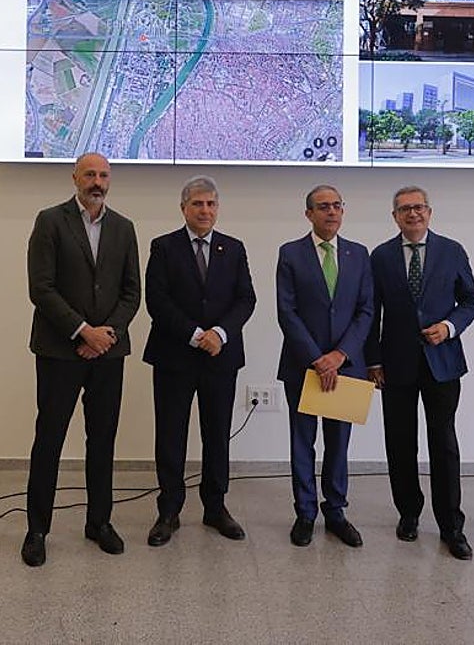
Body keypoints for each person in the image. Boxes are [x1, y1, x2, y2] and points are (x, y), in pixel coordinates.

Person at [21, 152, 141, 567]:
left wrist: (105, 335)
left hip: (108, 353)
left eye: (104, 175)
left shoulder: (124, 228)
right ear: (74, 177)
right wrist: (81, 331)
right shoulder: (50, 221)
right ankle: (37, 530)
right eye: (90, 174)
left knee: (102, 440)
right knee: (49, 440)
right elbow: (41, 287)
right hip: (59, 351)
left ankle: (99, 522)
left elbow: (131, 293)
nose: (97, 181)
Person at [364, 186, 474, 560]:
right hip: (395, 364)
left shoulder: (452, 251)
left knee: (443, 443)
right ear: (395, 216)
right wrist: (373, 360)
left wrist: (449, 326)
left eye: (419, 208)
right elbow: (371, 313)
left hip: (442, 362)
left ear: (429, 213)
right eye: (404, 209)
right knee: (400, 442)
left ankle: (451, 525)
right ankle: (409, 514)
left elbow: (471, 301)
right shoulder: (380, 256)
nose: (412, 214)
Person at [142, 176, 257, 547]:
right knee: (171, 435)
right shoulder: (163, 247)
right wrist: (195, 335)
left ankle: (215, 507)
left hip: (220, 358)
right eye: (197, 204)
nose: (205, 210)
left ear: (217, 208)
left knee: (217, 435)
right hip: (175, 356)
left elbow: (246, 299)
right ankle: (169, 510)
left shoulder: (234, 248)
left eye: (210, 204)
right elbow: (157, 302)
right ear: (183, 208)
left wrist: (219, 334)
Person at [276, 184, 373, 547]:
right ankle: (304, 512)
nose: (331, 212)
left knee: (338, 442)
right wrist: (317, 358)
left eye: (336, 206)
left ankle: (336, 511)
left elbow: (366, 311)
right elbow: (287, 312)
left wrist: (340, 355)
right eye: (323, 207)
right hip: (303, 365)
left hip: (345, 367)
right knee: (302, 441)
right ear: (309, 214)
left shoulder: (358, 254)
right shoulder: (290, 254)